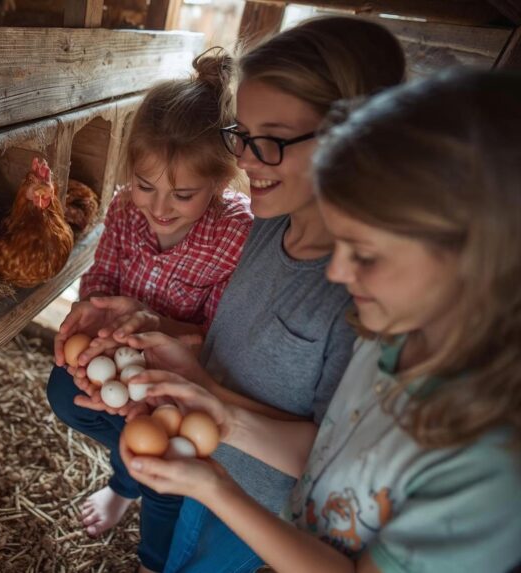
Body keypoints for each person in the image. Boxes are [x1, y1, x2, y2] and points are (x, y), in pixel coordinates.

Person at [123, 68, 521, 573]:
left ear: (474, 258)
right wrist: (222, 416)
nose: (335, 271)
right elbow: (322, 450)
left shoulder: (488, 474)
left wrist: (219, 491)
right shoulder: (384, 348)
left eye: (367, 254)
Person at [52, 17, 406, 573]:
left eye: (267, 140)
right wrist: (161, 337)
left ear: (352, 139)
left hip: (261, 501)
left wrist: (209, 405)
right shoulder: (269, 227)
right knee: (178, 549)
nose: (242, 160)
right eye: (239, 135)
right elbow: (227, 340)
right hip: (209, 459)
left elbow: (333, 456)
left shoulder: (360, 295)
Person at [47, 47, 253, 569]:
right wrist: (88, 313)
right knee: (64, 392)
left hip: (183, 379)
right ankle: (125, 474)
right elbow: (100, 280)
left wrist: (149, 322)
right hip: (119, 361)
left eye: (183, 194)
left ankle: (152, 555)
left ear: (220, 182)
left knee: (165, 467)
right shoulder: (123, 208)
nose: (159, 208)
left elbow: (217, 336)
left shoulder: (235, 233)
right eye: (145, 185)